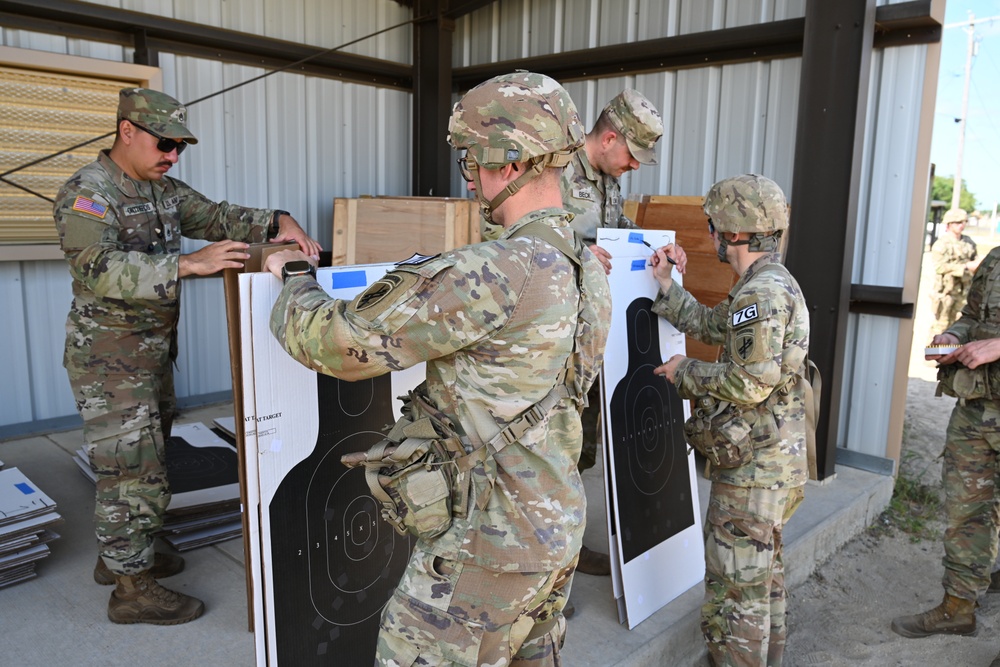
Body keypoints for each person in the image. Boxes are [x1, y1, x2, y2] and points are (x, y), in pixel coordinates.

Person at [264, 71, 611, 666]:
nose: (470, 180)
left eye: (470, 163)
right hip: (554, 530)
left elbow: (337, 342)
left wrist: (292, 278)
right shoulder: (587, 269)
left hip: (483, 553)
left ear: (505, 161)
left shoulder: (496, 269)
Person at [54, 87, 321, 625]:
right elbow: (97, 269)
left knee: (149, 459)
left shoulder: (162, 188)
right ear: (127, 131)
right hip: (109, 359)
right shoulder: (87, 193)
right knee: (130, 472)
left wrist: (278, 221)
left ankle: (123, 559)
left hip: (151, 354)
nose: (173, 155)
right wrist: (188, 265)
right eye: (165, 143)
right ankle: (130, 591)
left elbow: (216, 216)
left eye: (180, 147)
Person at [648, 174, 810, 666]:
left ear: (736, 235)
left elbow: (749, 384)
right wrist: (666, 287)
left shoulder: (760, 297)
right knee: (762, 585)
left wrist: (685, 372)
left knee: (736, 596)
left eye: (715, 227)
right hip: (772, 466)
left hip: (754, 474)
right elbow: (713, 324)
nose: (712, 235)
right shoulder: (764, 285)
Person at [561, 88, 663, 579]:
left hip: (593, 340)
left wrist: (656, 250)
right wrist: (576, 256)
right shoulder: (553, 170)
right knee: (550, 454)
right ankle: (548, 576)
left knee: (581, 451)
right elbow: (510, 238)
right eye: (633, 155)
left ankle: (569, 555)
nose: (636, 166)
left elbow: (615, 230)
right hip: (554, 341)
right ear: (608, 138)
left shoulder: (607, 180)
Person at [891, 244, 1000, 654]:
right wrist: (955, 335)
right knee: (966, 512)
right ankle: (958, 607)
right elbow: (973, 316)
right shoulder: (995, 258)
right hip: (977, 410)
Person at [929, 207, 979, 336]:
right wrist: (965, 266)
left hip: (964, 293)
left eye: (963, 222)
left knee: (958, 329)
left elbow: (976, 261)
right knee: (941, 327)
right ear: (949, 224)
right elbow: (939, 267)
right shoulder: (942, 244)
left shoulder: (969, 242)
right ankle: (933, 355)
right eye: (957, 222)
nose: (961, 225)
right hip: (946, 293)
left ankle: (950, 355)